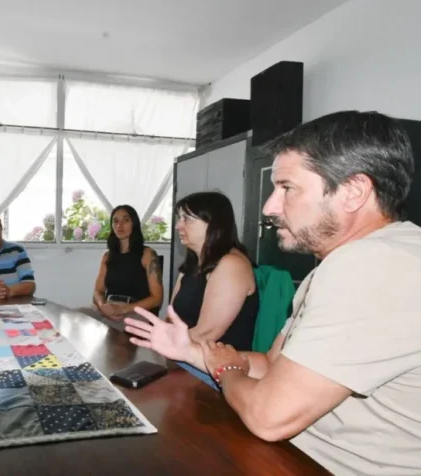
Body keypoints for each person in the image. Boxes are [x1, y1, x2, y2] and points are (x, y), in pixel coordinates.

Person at [124, 111, 421, 475]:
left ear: (354, 192)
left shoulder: (376, 265)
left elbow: (269, 416)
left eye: (287, 188)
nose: (269, 207)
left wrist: (227, 370)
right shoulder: (344, 263)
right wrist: (189, 350)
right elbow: (271, 365)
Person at [169, 192, 258, 350]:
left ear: (213, 223)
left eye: (187, 219)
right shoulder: (190, 265)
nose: (178, 226)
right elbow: (171, 317)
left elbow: (207, 334)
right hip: (185, 354)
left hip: (216, 367)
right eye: (179, 218)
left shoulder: (232, 264)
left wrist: (160, 343)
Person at [92, 205, 163, 319]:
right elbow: (98, 291)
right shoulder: (107, 256)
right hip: (110, 309)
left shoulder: (147, 254)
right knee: (78, 317)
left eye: (126, 220)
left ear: (134, 224)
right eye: (115, 221)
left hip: (135, 311)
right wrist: (103, 307)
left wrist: (122, 309)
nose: (120, 225)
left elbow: (157, 298)